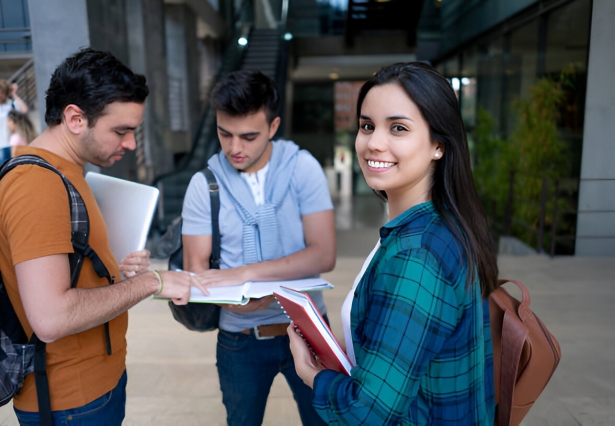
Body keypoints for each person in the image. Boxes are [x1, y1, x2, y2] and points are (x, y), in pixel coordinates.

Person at [0, 48, 206, 425]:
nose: (131, 145)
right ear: (75, 118)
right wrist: (151, 282)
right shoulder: (36, 186)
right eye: (121, 131)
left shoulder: (67, 169)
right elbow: (51, 317)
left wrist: (118, 266)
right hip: (69, 399)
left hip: (92, 385)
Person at [288, 62, 498, 425]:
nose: (374, 143)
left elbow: (368, 413)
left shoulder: (419, 254)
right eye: (367, 126)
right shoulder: (436, 226)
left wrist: (311, 374)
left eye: (397, 128)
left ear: (438, 145)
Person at [181, 69, 336, 426]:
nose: (235, 148)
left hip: (309, 328)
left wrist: (244, 274)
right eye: (225, 134)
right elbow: (197, 271)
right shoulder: (204, 184)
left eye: (249, 136)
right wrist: (235, 298)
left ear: (273, 126)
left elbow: (323, 254)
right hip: (241, 339)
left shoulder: (302, 168)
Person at [0, 77, 28, 163]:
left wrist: (14, 94)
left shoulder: (12, 105)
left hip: (14, 144)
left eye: (2, 92)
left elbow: (24, 110)